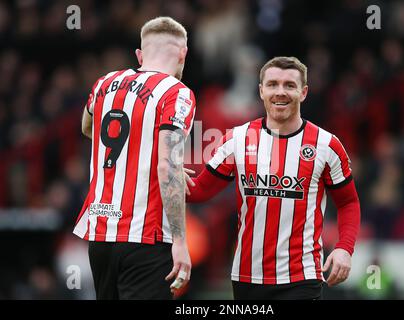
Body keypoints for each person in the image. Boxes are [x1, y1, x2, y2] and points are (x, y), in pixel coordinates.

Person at [185, 56, 360, 300]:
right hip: (246, 277)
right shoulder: (237, 139)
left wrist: (344, 248)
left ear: (304, 92)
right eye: (273, 84)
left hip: (301, 277)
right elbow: (199, 191)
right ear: (261, 91)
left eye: (289, 85)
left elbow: (348, 202)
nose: (280, 92)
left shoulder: (326, 145)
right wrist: (163, 174)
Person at [73, 17, 195, 299]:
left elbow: (86, 127)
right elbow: (168, 165)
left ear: (140, 54)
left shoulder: (105, 82)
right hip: (146, 238)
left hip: (101, 236)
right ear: (183, 53)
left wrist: (136, 153)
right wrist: (180, 241)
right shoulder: (177, 93)